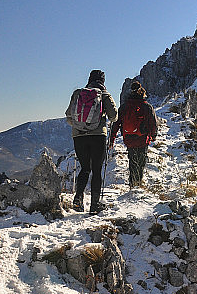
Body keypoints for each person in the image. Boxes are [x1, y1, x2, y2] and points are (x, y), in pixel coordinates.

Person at [65, 69, 118, 213]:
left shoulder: (78, 93)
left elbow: (68, 115)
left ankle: (78, 198)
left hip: (79, 136)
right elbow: (114, 116)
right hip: (98, 136)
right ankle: (94, 205)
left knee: (85, 168)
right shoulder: (104, 94)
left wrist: (80, 126)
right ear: (103, 81)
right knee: (96, 170)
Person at [110, 80, 157, 188]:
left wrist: (112, 138)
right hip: (142, 138)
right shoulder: (146, 106)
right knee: (140, 162)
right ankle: (138, 184)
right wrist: (153, 136)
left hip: (129, 138)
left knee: (132, 161)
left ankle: (132, 184)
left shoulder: (124, 106)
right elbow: (153, 123)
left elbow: (116, 123)